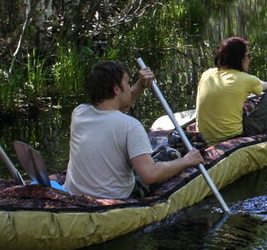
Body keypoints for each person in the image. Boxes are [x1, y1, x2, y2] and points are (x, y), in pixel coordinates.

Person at [65, 60, 202, 199]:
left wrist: (140, 85)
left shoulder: (79, 113)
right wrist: (187, 161)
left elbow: (114, 110)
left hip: (75, 193)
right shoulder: (130, 125)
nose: (131, 89)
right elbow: (150, 175)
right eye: (128, 83)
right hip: (116, 196)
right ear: (116, 89)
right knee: (171, 153)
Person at [195, 37, 267, 144]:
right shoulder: (246, 80)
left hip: (203, 137)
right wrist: (257, 82)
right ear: (239, 58)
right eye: (248, 56)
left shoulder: (207, 74)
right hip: (234, 137)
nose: (250, 59)